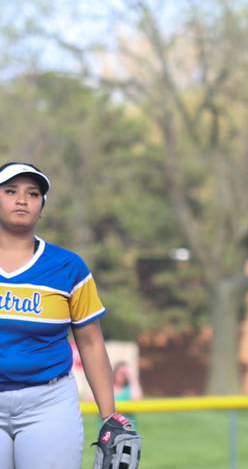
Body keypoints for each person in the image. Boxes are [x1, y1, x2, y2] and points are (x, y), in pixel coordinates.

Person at [0, 162, 135, 468]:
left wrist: (109, 416)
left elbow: (90, 343)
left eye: (33, 194)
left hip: (47, 403)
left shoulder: (68, 267)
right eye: (11, 191)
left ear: (41, 207)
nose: (22, 199)